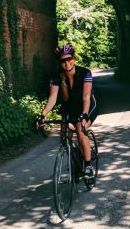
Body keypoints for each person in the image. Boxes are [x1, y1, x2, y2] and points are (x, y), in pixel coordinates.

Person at [36, 44, 98, 178]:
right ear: (60, 63)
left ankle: (88, 166)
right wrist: (42, 115)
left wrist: (84, 115)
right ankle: (75, 159)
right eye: (63, 61)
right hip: (70, 107)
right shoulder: (56, 77)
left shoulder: (85, 73)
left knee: (80, 129)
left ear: (74, 58)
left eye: (69, 59)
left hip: (87, 106)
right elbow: (52, 98)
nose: (66, 63)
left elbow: (86, 97)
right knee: (64, 135)